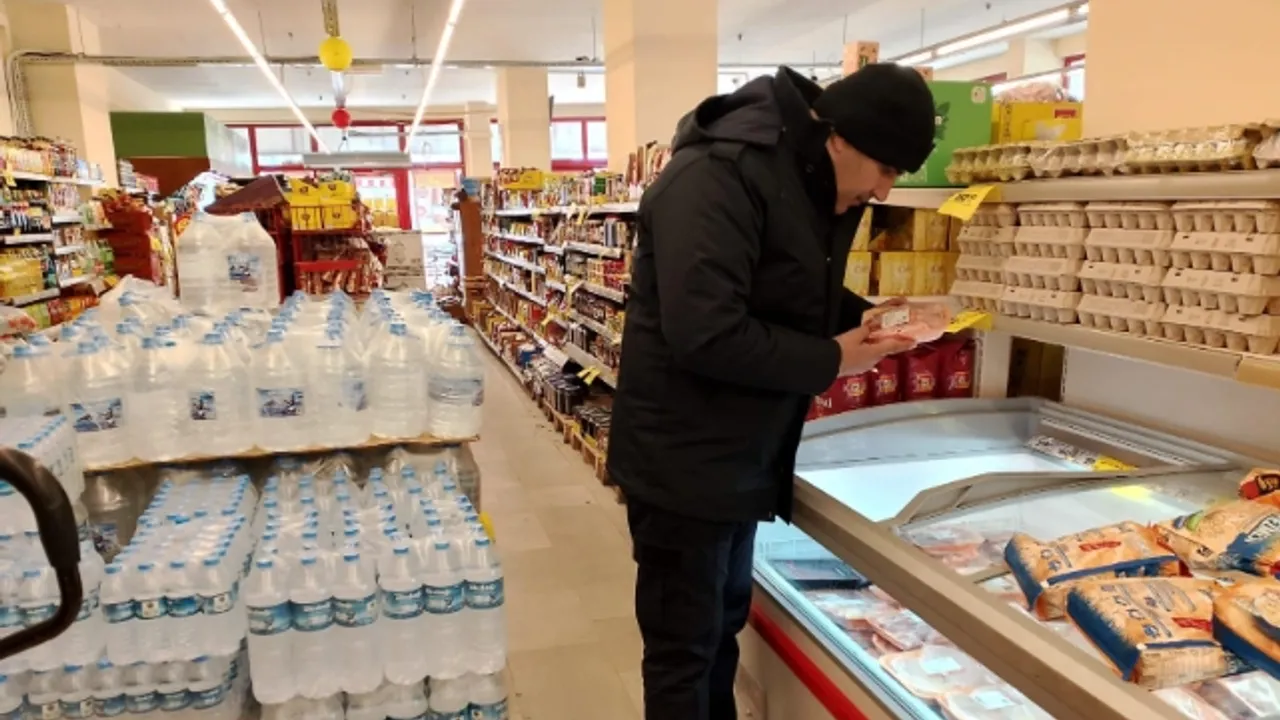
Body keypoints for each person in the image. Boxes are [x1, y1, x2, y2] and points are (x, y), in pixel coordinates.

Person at [606, 64, 938, 720]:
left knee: (720, 627)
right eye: (885, 169)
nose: (884, 189)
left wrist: (870, 319)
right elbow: (705, 332)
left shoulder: (809, 179)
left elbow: (789, 288)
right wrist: (832, 358)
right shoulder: (716, 176)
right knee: (683, 649)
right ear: (840, 138)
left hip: (738, 459)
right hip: (682, 464)